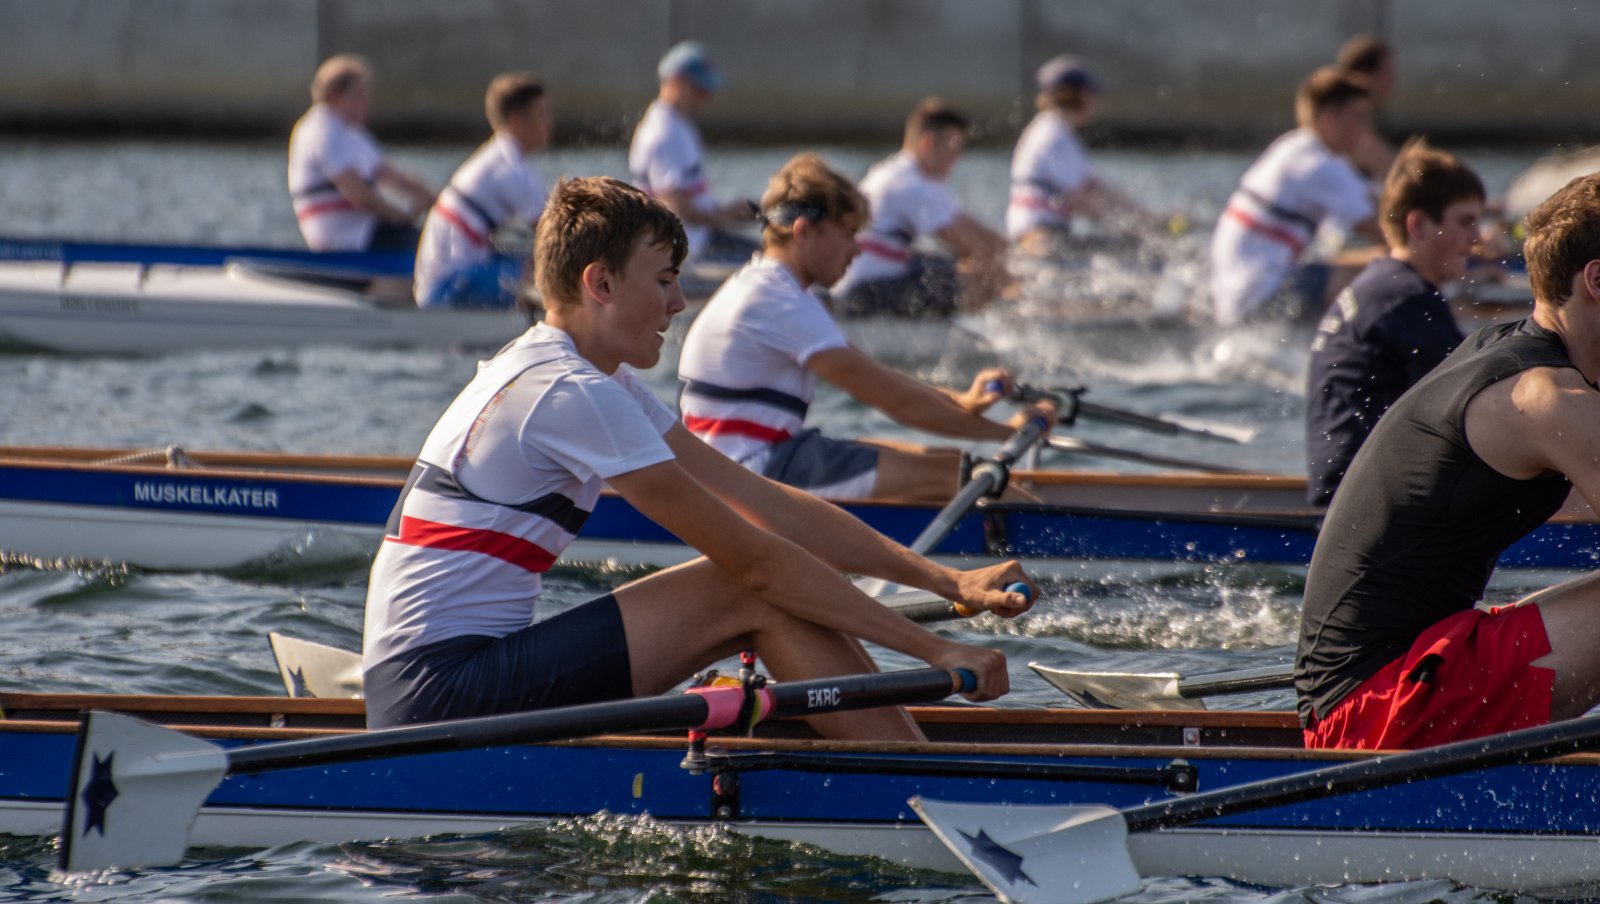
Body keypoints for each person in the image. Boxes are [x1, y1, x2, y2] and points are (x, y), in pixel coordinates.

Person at [362, 176, 1035, 740]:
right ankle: (913, 791)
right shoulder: (567, 391)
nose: (679, 303)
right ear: (600, 283)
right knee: (746, 586)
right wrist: (934, 650)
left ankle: (898, 767)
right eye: (663, 280)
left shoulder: (588, 377)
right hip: (435, 698)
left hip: (436, 681)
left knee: (762, 585)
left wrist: (950, 584)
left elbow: (769, 506)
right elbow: (756, 564)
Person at [1296, 171, 1600, 751]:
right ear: (1597, 279)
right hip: (1376, 710)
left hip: (1390, 677)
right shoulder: (1545, 397)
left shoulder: (1502, 347)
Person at [679, 153, 1054, 504]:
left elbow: (879, 378)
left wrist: (965, 402)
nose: (857, 251)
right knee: (957, 475)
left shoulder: (771, 288)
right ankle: (1056, 539)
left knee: (945, 461)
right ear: (804, 231)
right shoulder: (777, 300)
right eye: (847, 234)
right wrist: (1007, 431)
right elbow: (897, 402)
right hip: (748, 476)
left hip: (748, 463)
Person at [1304, 139, 1481, 505]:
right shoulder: (1406, 299)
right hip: (1368, 506)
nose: (1477, 238)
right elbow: (1475, 407)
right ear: (1418, 224)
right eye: (1465, 222)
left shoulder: (1380, 286)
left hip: (1344, 495)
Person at [1209, 67, 1381, 326]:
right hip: (1262, 300)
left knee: (1373, 260)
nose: (1365, 129)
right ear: (1329, 119)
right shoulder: (1322, 167)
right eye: (1358, 117)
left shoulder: (1291, 146)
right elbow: (1387, 230)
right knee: (1390, 271)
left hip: (1236, 298)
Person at [830, 98, 1010, 317]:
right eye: (954, 147)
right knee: (981, 278)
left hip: (873, 280)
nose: (957, 157)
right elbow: (968, 244)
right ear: (928, 143)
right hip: (863, 292)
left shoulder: (900, 172)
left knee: (967, 268)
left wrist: (1016, 252)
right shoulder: (909, 185)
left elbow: (968, 226)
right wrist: (1019, 266)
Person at [413, 73, 551, 308]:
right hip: (446, 289)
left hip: (449, 279)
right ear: (517, 121)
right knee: (549, 271)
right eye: (541, 114)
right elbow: (557, 229)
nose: (549, 122)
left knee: (534, 262)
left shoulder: (500, 156)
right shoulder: (508, 168)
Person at [1007, 55, 1159, 254]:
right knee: (1139, 251)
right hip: (1039, 239)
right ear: (1076, 96)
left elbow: (1097, 189)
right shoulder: (1052, 136)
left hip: (1050, 234)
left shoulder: (1058, 131)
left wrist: (1149, 218)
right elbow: (1077, 199)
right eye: (1092, 95)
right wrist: (1128, 227)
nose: (1096, 102)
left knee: (1138, 248)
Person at [287, 54, 436, 253]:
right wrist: (402, 217)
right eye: (358, 94)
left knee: (435, 240)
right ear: (335, 95)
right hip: (345, 239)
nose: (366, 102)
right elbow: (357, 195)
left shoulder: (353, 134)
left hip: (366, 232)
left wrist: (441, 202)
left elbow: (394, 178)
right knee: (431, 248)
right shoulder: (322, 130)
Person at [627, 41, 758, 265]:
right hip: (688, 249)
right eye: (700, 90)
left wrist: (729, 212)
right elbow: (673, 205)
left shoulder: (678, 124)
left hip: (701, 237)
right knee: (770, 259)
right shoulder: (665, 131)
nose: (706, 97)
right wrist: (722, 217)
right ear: (676, 82)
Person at [1335, 34, 1399, 183]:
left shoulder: (1353, 118)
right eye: (1387, 72)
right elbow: (1395, 176)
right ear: (1364, 75)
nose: (1393, 80)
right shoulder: (1351, 124)